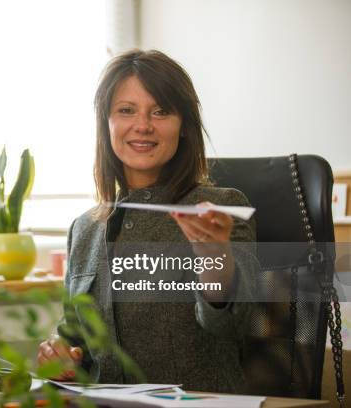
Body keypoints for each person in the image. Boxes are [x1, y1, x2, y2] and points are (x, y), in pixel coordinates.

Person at [37, 49, 257, 393]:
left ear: (183, 126)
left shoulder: (220, 209)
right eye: (126, 111)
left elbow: (232, 326)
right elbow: (72, 338)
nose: (143, 125)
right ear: (106, 124)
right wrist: (60, 355)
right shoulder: (84, 229)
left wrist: (214, 257)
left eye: (161, 111)